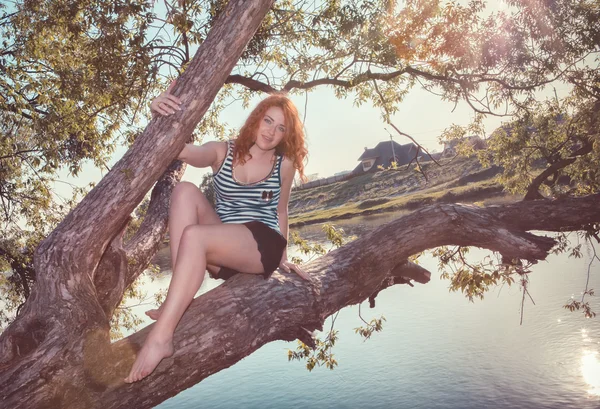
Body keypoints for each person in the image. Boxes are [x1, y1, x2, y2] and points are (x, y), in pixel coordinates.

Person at [124, 82, 309, 383]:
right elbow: (181, 151)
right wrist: (158, 113)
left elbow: (281, 211)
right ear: (256, 119)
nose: (271, 132)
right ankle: (176, 299)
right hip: (224, 244)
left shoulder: (283, 164)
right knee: (183, 190)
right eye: (268, 121)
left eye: (281, 129)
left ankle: (161, 339)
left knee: (195, 236)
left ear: (286, 136)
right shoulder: (222, 150)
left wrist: (285, 257)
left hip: (262, 244)